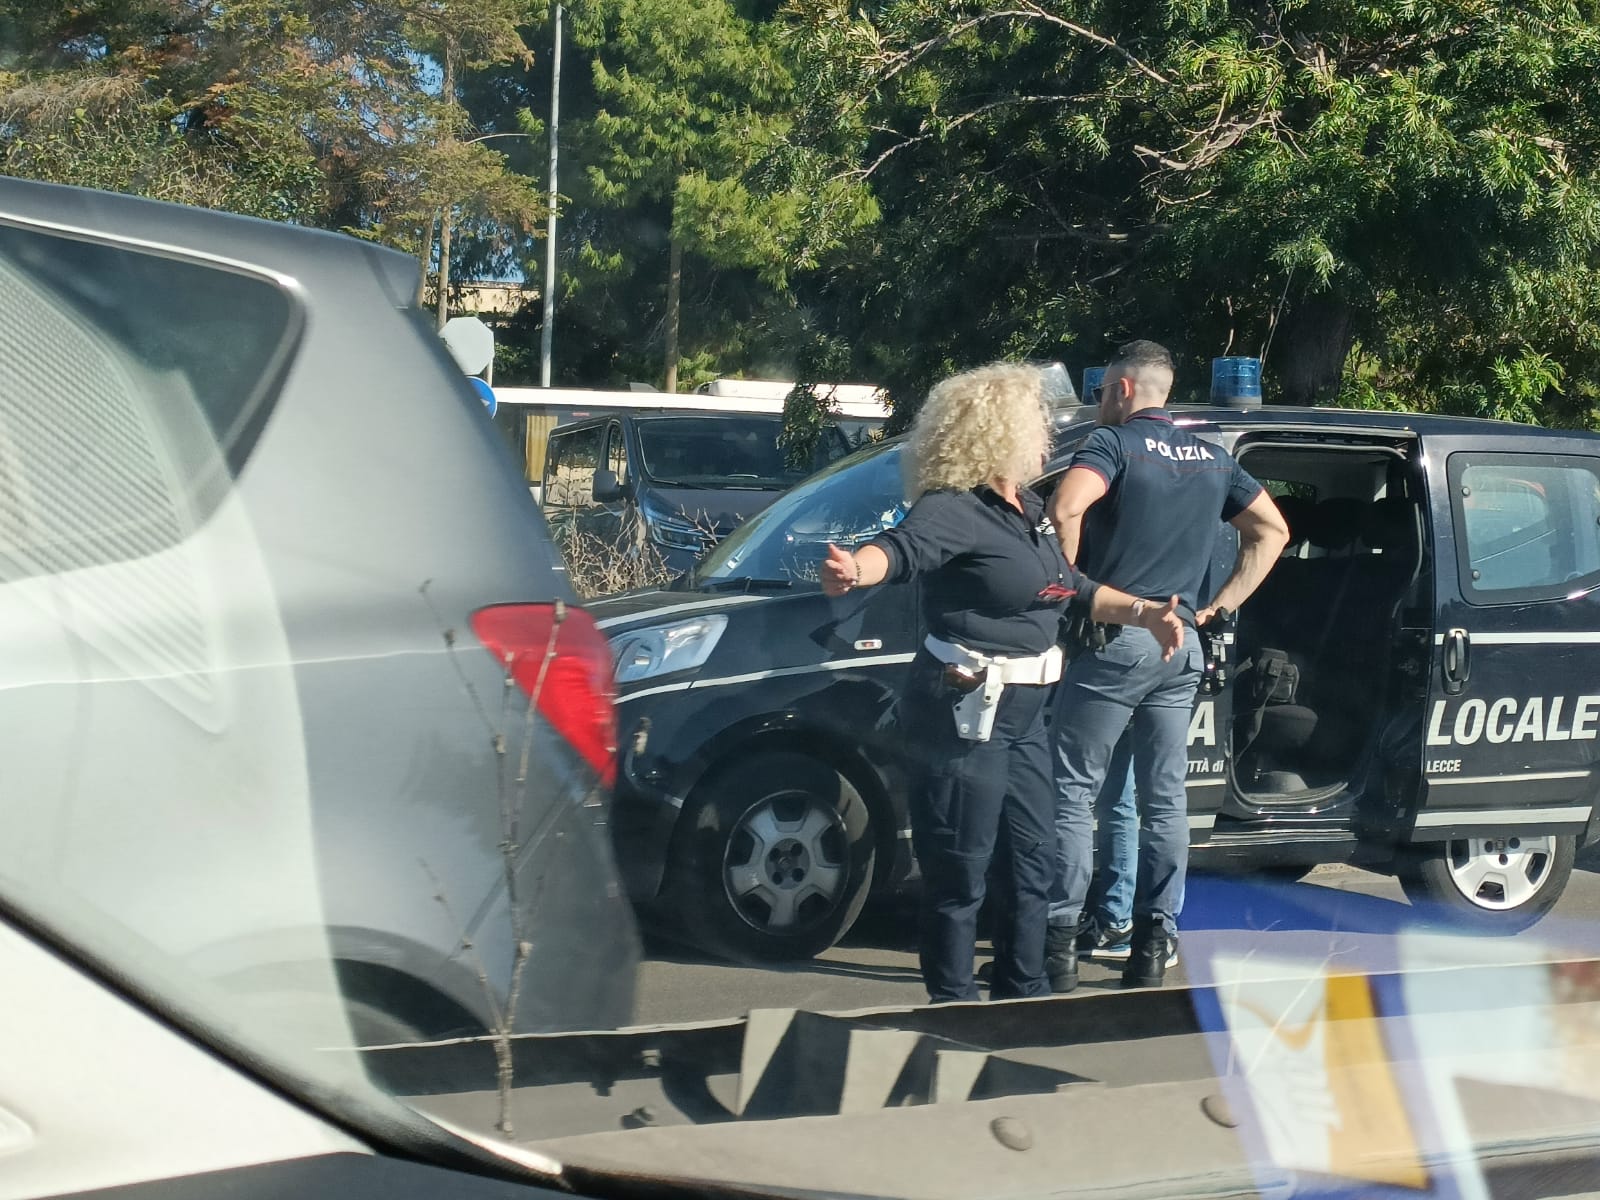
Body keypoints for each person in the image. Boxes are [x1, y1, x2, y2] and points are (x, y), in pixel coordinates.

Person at [820, 362, 1185, 1004]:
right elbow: (901, 549)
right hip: (964, 712)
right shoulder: (954, 508)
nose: (1046, 434)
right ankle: (954, 1007)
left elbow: (1071, 588)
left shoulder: (1030, 510)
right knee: (960, 871)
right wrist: (856, 569)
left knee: (1031, 865)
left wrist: (1143, 612)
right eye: (1036, 423)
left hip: (1025, 717)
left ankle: (1024, 996)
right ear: (1001, 430)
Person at [1047, 340, 1289, 990]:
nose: (1100, 402)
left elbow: (1066, 506)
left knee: (1072, 792)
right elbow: (1272, 531)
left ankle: (1058, 945)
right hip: (1181, 645)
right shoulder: (1212, 458)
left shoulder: (1113, 445)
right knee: (1163, 801)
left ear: (1124, 390)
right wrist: (1219, 607)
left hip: (1114, 637)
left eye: (1103, 391)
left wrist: (1071, 588)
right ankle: (1152, 944)